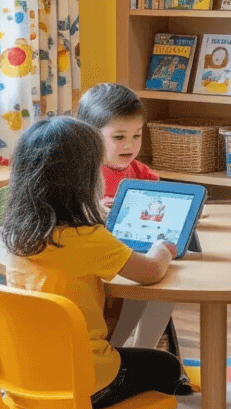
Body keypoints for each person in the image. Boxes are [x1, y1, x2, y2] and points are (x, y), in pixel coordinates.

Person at [3, 116, 182, 409]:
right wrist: (163, 249)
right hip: (82, 385)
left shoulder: (15, 231)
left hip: (23, 382)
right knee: (164, 367)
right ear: (84, 178)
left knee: (127, 354)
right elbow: (149, 273)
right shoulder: (86, 238)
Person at [76, 83, 189, 387]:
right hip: (102, 274)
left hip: (129, 263)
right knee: (155, 285)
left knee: (164, 289)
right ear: (90, 136)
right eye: (119, 137)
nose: (130, 144)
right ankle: (125, 360)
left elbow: (161, 204)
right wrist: (95, 208)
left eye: (137, 135)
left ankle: (136, 355)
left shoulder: (139, 172)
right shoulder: (84, 176)